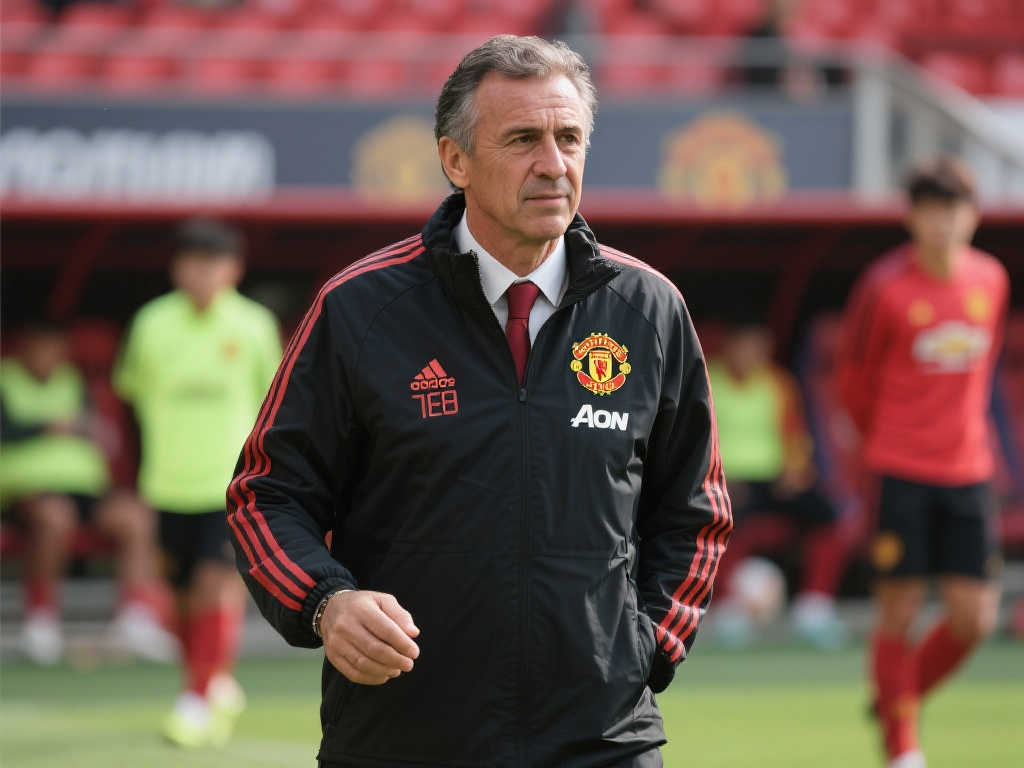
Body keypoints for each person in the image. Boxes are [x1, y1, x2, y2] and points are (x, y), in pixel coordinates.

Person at [228, 35, 731, 768]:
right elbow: (265, 495)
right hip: (401, 739)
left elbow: (696, 510)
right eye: (523, 139)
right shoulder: (359, 308)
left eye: (569, 139)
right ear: (455, 160)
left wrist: (647, 644)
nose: (553, 164)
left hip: (603, 740)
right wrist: (326, 603)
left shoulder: (649, 309)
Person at [835, 158, 1008, 768]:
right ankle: (903, 748)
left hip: (970, 471)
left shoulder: (991, 279)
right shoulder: (884, 287)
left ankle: (894, 699)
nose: (943, 224)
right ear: (912, 218)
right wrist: (886, 442)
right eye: (932, 211)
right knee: (899, 610)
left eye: (954, 211)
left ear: (973, 216)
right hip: (900, 468)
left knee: (974, 618)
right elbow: (853, 378)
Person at [114, 218, 282, 747]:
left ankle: (194, 700)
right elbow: (130, 400)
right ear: (176, 269)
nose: (202, 274)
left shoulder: (254, 325)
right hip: (167, 485)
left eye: (213, 264)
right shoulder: (151, 324)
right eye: (192, 263)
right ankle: (215, 683)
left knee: (215, 586)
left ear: (233, 270)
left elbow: (275, 405)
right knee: (181, 600)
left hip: (230, 485)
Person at [0, 319, 175, 666]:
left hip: (85, 488)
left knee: (135, 517)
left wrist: (99, 434)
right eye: (42, 349)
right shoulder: (6, 381)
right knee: (55, 518)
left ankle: (136, 619)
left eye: (56, 350)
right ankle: (41, 620)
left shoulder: (73, 382)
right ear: (25, 349)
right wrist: (50, 427)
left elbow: (97, 430)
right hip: (26, 491)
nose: (49, 357)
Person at [708, 322, 848, 648]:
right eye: (745, 345)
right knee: (722, 517)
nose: (751, 354)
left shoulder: (778, 383)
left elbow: (794, 434)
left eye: (758, 346)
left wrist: (795, 472)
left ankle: (814, 606)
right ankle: (728, 608)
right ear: (730, 346)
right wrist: (716, 477)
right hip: (724, 482)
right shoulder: (706, 380)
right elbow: (693, 440)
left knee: (827, 514)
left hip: (772, 479)